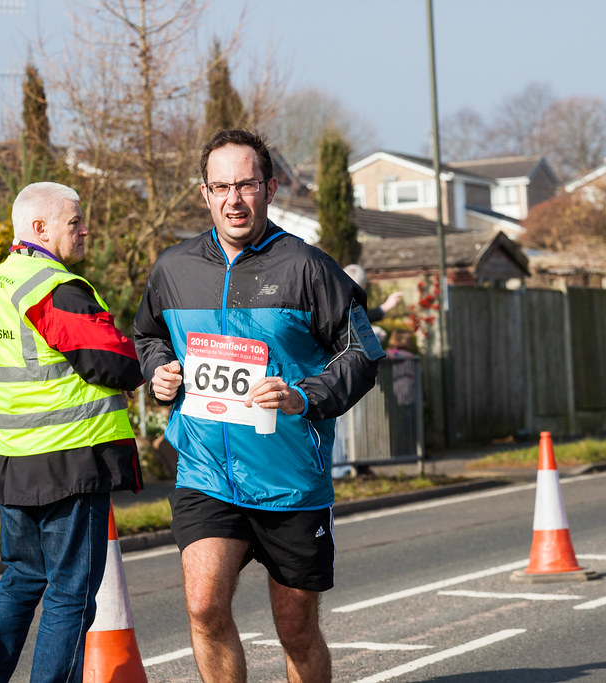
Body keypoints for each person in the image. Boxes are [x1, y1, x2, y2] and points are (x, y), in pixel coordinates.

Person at [134, 129, 384, 683]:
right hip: (206, 471)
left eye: (246, 184)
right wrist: (158, 370)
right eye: (221, 186)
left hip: (289, 479)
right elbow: (147, 337)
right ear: (204, 193)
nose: (234, 199)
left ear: (270, 188)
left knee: (294, 628)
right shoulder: (174, 269)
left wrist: (306, 395)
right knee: (203, 607)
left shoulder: (307, 268)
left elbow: (363, 352)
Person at [0, 181, 144, 683]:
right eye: (74, 222)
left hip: (14, 461)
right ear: (39, 228)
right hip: (69, 462)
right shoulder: (54, 288)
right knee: (70, 592)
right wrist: (139, 351)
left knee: (21, 578)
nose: (86, 230)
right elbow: (116, 362)